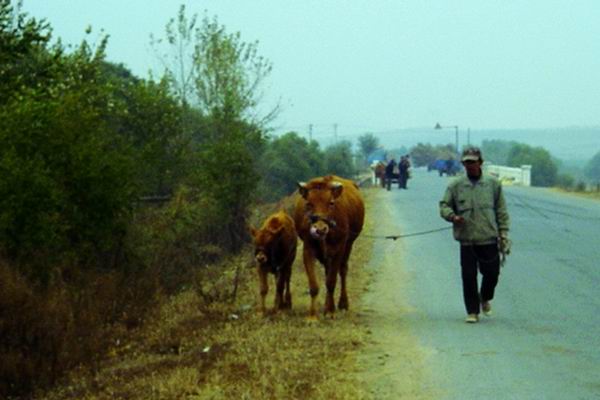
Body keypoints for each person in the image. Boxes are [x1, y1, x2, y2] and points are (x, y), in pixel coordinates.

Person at [439, 147, 510, 323]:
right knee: (468, 276)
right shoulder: (455, 185)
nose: (469, 165)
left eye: (473, 162)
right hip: (467, 240)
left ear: (480, 163)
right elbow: (444, 206)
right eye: (466, 162)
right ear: (463, 164)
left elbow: (501, 210)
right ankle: (472, 311)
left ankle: (484, 297)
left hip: (489, 238)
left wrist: (503, 233)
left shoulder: (493, 184)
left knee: (492, 274)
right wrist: (452, 216)